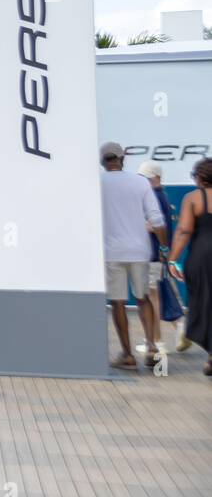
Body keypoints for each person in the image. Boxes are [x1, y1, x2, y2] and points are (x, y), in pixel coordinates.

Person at [100, 142, 166, 371]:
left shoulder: (97, 183)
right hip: (140, 250)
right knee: (143, 298)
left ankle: (127, 355)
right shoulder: (140, 182)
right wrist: (165, 248)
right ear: (122, 159)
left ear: (102, 161)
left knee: (118, 302)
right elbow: (157, 219)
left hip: (111, 252)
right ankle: (151, 347)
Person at [167, 157, 212, 376]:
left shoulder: (193, 198)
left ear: (200, 177)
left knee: (202, 302)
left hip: (202, 256)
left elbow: (184, 230)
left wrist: (172, 259)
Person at [137, 161, 178, 353]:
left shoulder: (154, 196)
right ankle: (154, 340)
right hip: (156, 252)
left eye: (145, 177)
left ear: (155, 177)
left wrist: (139, 225)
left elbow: (156, 225)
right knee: (154, 295)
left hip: (152, 252)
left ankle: (156, 341)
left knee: (151, 296)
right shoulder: (161, 195)